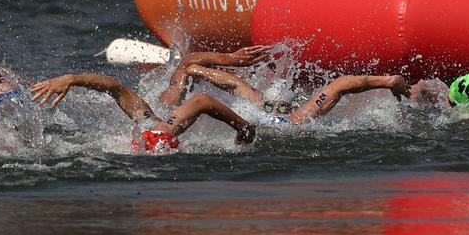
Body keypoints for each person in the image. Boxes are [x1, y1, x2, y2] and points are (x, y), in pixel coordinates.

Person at [30, 72, 257, 152]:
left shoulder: (150, 120)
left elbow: (115, 87)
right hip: (154, 147)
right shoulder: (157, 124)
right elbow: (201, 99)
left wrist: (72, 79)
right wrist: (243, 127)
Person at [158, 53, 411, 124]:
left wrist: (230, 60)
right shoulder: (298, 118)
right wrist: (387, 80)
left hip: (172, 117)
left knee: (176, 103)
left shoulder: (253, 102)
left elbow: (192, 66)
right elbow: (340, 84)